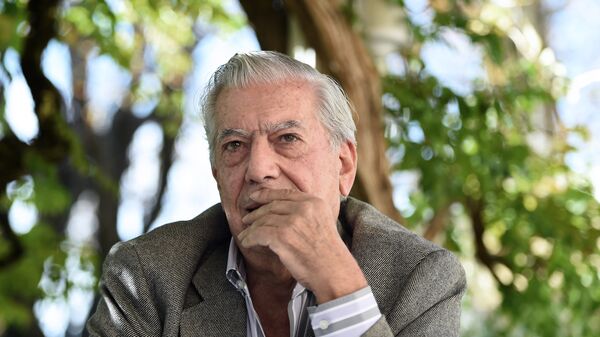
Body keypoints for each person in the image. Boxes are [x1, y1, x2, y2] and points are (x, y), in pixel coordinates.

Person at [86, 51, 466, 337]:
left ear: (344, 165)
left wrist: (338, 283)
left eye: (287, 139)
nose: (257, 169)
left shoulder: (421, 277)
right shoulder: (147, 274)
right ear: (217, 173)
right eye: (234, 145)